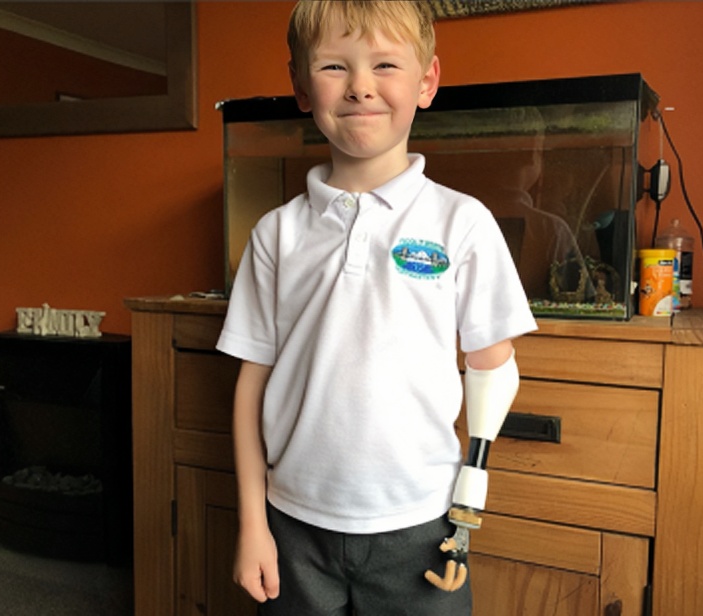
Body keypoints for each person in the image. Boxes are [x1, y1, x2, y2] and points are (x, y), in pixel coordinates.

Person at [216, 1, 536, 614]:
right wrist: (252, 523)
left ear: (427, 81)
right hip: (292, 523)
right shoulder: (276, 234)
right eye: (334, 66)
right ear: (301, 88)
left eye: (385, 64)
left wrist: (470, 497)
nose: (361, 86)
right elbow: (251, 383)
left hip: (422, 525)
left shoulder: (463, 223)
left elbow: (493, 370)